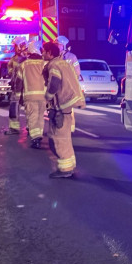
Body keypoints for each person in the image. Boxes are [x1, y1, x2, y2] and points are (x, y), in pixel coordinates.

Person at [43, 40, 85, 178]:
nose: (42, 53)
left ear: (50, 53)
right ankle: (70, 165)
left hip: (61, 105)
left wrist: (48, 96)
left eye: (44, 51)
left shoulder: (54, 65)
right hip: (67, 103)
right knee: (65, 137)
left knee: (58, 137)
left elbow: (54, 82)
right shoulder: (64, 63)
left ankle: (65, 170)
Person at [17, 39, 47, 149]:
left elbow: (19, 82)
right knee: (40, 117)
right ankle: (38, 135)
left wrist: (18, 95)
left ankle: (36, 138)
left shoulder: (24, 64)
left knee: (32, 117)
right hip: (43, 96)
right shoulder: (44, 63)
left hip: (30, 96)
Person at [4, 36, 29, 135]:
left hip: (27, 87)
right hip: (17, 87)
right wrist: (12, 73)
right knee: (13, 107)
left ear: (21, 45)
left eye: (15, 46)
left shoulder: (29, 57)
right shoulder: (14, 58)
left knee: (29, 109)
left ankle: (30, 128)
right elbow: (10, 68)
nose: (14, 48)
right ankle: (14, 128)